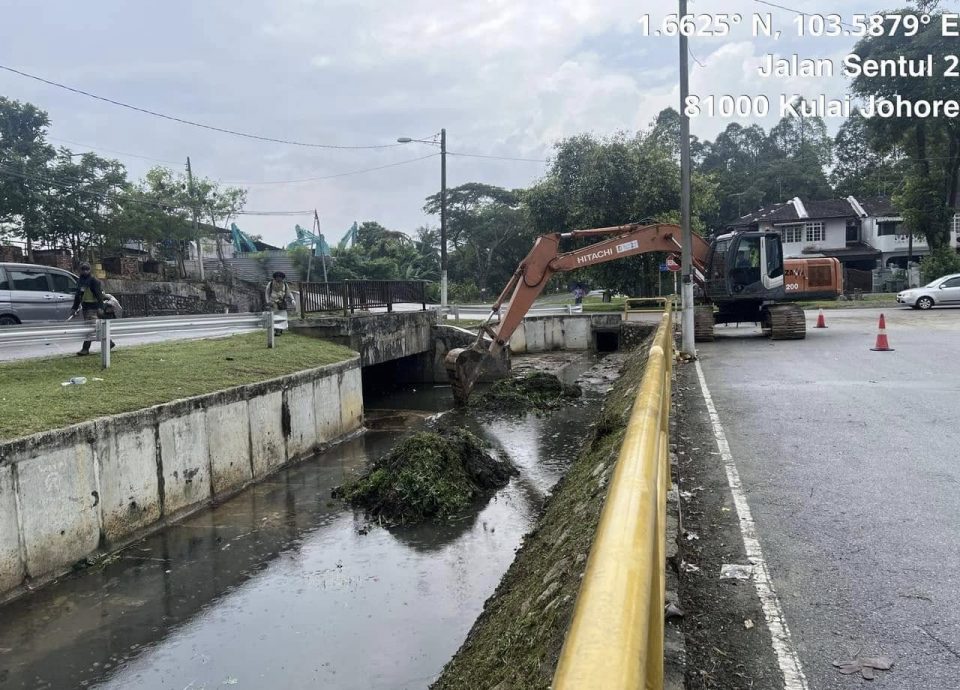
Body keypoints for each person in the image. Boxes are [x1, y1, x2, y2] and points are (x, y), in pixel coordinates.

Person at [71, 262, 115, 356]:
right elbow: (78, 295)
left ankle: (85, 349)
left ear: (90, 270)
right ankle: (109, 342)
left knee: (91, 328)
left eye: (87, 269)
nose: (85, 271)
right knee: (94, 328)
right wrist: (74, 307)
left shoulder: (94, 281)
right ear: (81, 270)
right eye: (83, 269)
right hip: (86, 308)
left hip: (93, 308)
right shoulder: (80, 281)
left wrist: (100, 307)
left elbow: (99, 295)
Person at [265, 271, 293, 335]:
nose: (279, 278)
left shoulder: (285, 284)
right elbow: (267, 292)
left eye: (280, 277)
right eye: (277, 277)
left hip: (281, 302)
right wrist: (267, 301)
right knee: (274, 316)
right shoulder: (271, 283)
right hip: (273, 302)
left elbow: (289, 292)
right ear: (275, 277)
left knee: (282, 316)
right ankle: (276, 330)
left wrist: (292, 299)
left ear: (282, 278)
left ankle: (280, 330)